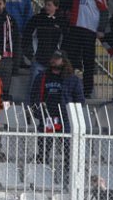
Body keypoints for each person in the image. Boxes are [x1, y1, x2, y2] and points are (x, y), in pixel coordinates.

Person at [30, 50, 84, 178]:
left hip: (65, 118)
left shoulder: (72, 79)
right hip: (47, 117)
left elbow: (80, 99)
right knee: (44, 147)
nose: (54, 60)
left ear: (63, 60)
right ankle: (42, 174)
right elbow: (33, 96)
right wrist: (36, 111)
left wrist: (72, 114)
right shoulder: (42, 77)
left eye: (57, 58)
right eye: (53, 58)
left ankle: (68, 174)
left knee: (68, 148)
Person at [63, 0, 108, 98]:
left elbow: (104, 10)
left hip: (89, 30)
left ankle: (87, 90)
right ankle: (71, 87)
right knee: (72, 59)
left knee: (88, 61)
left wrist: (101, 29)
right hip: (75, 28)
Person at [22, 0, 67, 95]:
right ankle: (30, 108)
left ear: (56, 7)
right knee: (34, 86)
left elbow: (64, 41)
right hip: (38, 59)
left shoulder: (61, 22)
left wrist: (61, 57)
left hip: (54, 60)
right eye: (46, 4)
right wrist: (31, 55)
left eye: (49, 5)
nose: (46, 7)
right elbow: (27, 38)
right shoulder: (36, 20)